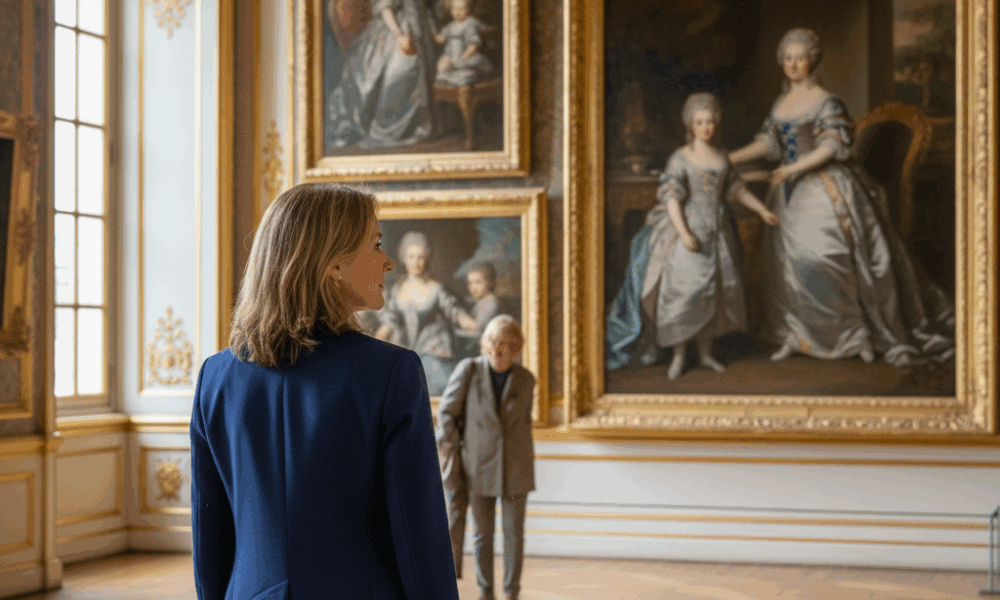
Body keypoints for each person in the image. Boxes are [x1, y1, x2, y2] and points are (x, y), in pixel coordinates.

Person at [190, 183, 459, 600]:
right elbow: (418, 535)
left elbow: (210, 536)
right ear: (334, 264)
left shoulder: (216, 377)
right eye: (375, 245)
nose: (388, 262)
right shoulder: (392, 373)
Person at [728, 28, 954, 366]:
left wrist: (794, 168)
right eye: (787, 57)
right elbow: (770, 143)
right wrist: (729, 158)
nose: (793, 64)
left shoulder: (825, 99)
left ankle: (854, 335)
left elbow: (832, 145)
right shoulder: (782, 102)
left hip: (824, 185)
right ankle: (794, 333)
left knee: (822, 256)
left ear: (811, 60)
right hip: (788, 191)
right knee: (786, 265)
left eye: (800, 57)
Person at [606, 92, 779, 378]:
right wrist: (684, 233)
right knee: (683, 293)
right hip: (688, 231)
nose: (706, 127)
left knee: (712, 294)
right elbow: (672, 198)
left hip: (718, 233)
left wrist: (761, 210)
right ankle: (678, 356)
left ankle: (706, 354)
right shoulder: (681, 158)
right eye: (700, 122)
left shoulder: (722, 157)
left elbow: (736, 189)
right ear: (691, 125)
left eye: (710, 122)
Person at [436, 315, 536, 600]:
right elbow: (446, 415)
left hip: (517, 468)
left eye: (506, 346)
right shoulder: (469, 370)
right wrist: (458, 448)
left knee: (514, 535)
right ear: (485, 344)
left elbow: (522, 425)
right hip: (477, 467)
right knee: (482, 534)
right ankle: (486, 592)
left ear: (517, 348)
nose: (499, 352)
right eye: (494, 344)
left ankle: (511, 592)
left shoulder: (526, 380)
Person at [326, 0, 439, 150]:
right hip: (393, 29)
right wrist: (400, 35)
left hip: (421, 30)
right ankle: (388, 127)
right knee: (403, 67)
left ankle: (417, 123)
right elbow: (386, 9)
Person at [375, 231, 479, 395]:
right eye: (411, 257)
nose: (416, 262)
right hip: (404, 353)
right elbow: (390, 322)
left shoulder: (436, 288)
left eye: (420, 257)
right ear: (404, 258)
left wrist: (467, 321)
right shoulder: (397, 289)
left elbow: (453, 310)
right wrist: (377, 340)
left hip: (432, 353)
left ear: (427, 259)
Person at [434, 0, 494, 87]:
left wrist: (464, 56)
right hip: (452, 56)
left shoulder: (470, 24)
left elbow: (474, 44)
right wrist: (433, 34)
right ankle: (445, 79)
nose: (457, 12)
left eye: (462, 9)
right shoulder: (451, 25)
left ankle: (460, 80)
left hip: (466, 56)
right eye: (454, 9)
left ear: (469, 9)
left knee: (464, 72)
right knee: (442, 65)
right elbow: (442, 39)